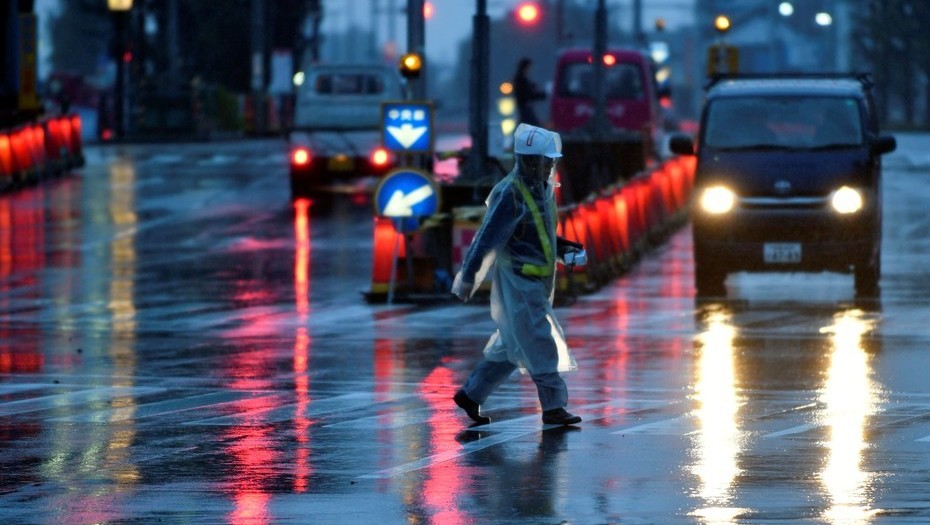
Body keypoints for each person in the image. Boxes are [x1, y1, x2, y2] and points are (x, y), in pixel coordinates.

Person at [451, 123, 587, 427]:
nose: (550, 167)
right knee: (540, 341)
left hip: (535, 283)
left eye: (551, 162)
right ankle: (553, 407)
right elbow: (486, 240)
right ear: (530, 161)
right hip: (519, 284)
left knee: (510, 345)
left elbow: (540, 236)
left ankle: (471, 394)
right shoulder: (510, 194)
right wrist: (468, 279)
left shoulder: (541, 191)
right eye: (545, 162)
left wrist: (563, 249)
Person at [513, 57, 547, 126]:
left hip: (524, 106)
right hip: (524, 106)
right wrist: (540, 95)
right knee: (532, 124)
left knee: (527, 124)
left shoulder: (521, 79)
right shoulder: (521, 80)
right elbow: (526, 94)